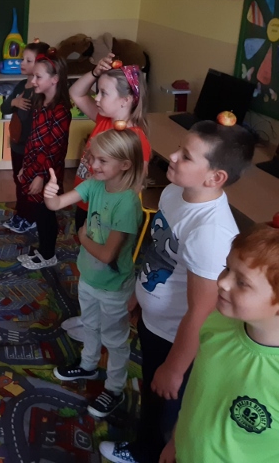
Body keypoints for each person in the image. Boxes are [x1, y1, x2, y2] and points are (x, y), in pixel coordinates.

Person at [100, 120, 255, 463]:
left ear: (214, 177)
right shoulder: (174, 191)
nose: (171, 156)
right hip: (156, 323)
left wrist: (175, 367)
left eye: (185, 156)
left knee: (166, 403)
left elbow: (202, 311)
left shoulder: (210, 233)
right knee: (152, 387)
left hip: (175, 338)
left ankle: (148, 452)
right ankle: (147, 438)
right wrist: (140, 295)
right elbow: (159, 252)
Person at [44, 128, 143, 418]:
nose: (92, 165)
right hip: (88, 276)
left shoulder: (127, 203)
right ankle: (88, 365)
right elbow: (56, 204)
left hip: (113, 286)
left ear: (124, 165)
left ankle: (114, 388)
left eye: (102, 160)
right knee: (89, 324)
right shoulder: (95, 185)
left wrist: (81, 237)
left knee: (115, 339)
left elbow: (108, 254)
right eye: (92, 158)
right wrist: (51, 194)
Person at [159, 224, 279, 463]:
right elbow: (199, 394)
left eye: (242, 282)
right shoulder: (217, 322)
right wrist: (176, 439)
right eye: (227, 269)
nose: (222, 283)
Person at [62, 53, 151, 341]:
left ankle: (100, 323)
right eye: (98, 91)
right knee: (89, 262)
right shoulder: (103, 118)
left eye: (103, 92)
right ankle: (89, 315)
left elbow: (135, 185)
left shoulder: (135, 139)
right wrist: (94, 72)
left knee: (104, 266)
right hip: (87, 201)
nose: (96, 97)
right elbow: (76, 92)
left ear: (126, 100)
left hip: (106, 214)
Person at [15, 51, 72, 269]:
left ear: (55, 79)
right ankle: (43, 249)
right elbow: (33, 139)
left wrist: (40, 176)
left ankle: (48, 254)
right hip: (33, 165)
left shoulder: (60, 111)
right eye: (33, 76)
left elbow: (54, 150)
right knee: (39, 212)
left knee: (46, 212)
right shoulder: (40, 102)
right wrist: (25, 166)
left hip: (48, 173)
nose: (33, 81)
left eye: (38, 77)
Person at [1, 40, 51, 233]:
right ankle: (22, 213)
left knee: (29, 183)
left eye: (28, 60)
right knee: (18, 179)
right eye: (23, 59)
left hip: (33, 148)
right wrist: (14, 102)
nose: (22, 63)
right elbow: (4, 107)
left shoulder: (40, 91)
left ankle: (30, 217)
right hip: (17, 144)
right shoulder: (22, 85)